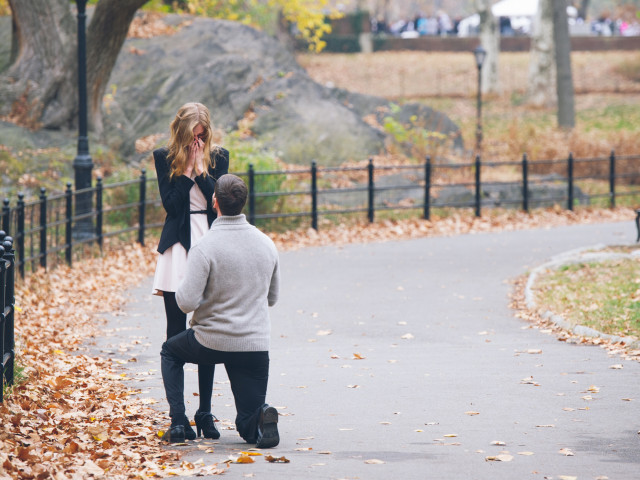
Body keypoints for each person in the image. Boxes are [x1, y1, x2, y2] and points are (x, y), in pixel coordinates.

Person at [160, 174, 281, 448]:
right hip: (254, 346)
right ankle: (260, 418)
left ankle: (179, 421)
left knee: (170, 350)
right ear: (243, 203)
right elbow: (272, 297)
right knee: (247, 426)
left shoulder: (204, 247)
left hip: (211, 342)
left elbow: (185, 303)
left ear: (214, 202)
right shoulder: (266, 244)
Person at [152, 102, 229, 440]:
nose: (196, 144)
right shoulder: (163, 157)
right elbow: (170, 205)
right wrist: (185, 171)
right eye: (190, 138)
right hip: (177, 248)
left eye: (201, 138)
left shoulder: (219, 158)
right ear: (181, 133)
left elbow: (220, 202)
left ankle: (205, 412)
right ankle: (178, 417)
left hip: (209, 242)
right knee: (175, 331)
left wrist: (201, 171)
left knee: (207, 330)